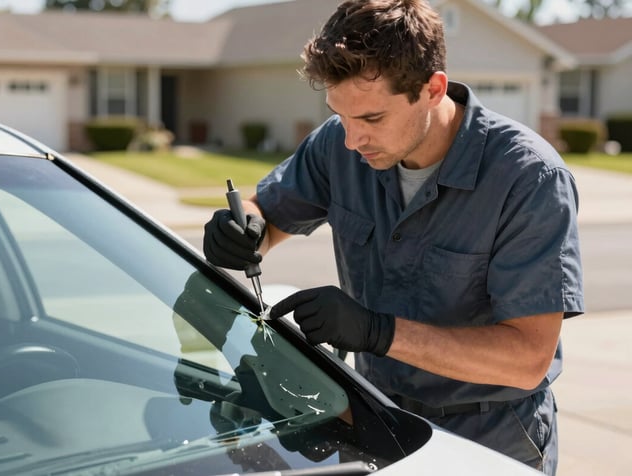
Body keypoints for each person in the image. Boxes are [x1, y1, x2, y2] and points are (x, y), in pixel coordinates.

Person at [202, 0, 584, 474]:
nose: (351, 140)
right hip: (372, 419)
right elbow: (267, 213)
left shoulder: (529, 178)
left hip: (492, 439)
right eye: (340, 115)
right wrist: (246, 228)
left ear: (432, 88)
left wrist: (378, 332)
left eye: (372, 119)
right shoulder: (338, 147)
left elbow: (526, 358)